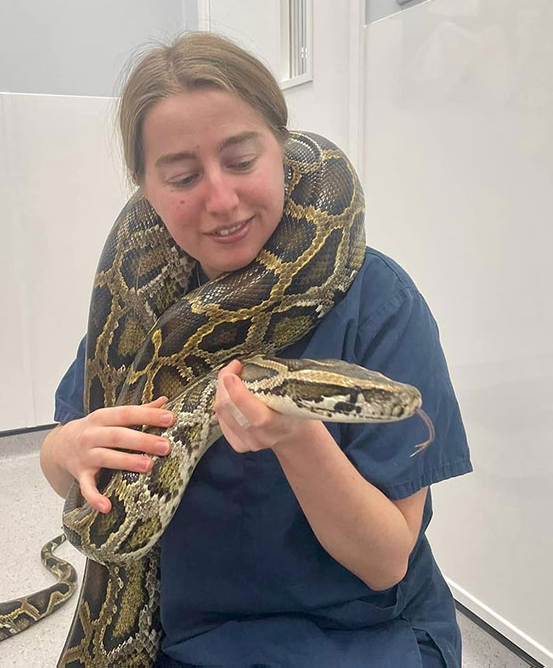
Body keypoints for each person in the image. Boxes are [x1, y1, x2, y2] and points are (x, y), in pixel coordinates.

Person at [41, 32, 472, 667]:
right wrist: (62, 450)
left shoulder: (382, 305)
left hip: (358, 638)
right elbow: (74, 479)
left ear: (284, 147)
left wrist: (297, 437)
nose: (221, 200)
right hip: (202, 635)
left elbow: (385, 561)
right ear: (144, 188)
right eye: (184, 176)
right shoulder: (140, 319)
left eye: (242, 160)